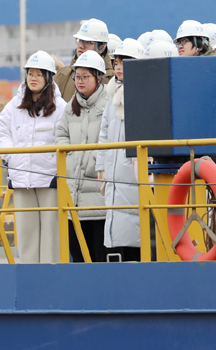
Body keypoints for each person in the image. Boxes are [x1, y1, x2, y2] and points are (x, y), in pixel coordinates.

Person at [0, 51, 66, 263]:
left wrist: (54, 165)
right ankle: (30, 276)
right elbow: (1, 132)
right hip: (21, 179)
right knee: (26, 237)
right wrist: (11, 158)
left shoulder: (60, 107)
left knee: (51, 236)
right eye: (30, 74)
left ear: (49, 77)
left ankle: (50, 276)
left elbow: (64, 138)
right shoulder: (14, 105)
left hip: (50, 180)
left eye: (38, 74)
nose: (33, 78)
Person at [57, 50, 110, 262]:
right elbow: (61, 134)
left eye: (85, 76)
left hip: (98, 197)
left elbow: (112, 141)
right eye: (77, 76)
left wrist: (92, 161)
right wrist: (70, 157)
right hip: (74, 196)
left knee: (99, 256)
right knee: (78, 256)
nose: (79, 81)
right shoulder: (72, 106)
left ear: (99, 78)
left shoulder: (108, 105)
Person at [100, 38, 147, 261]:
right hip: (115, 176)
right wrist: (102, 167)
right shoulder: (113, 97)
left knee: (135, 234)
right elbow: (104, 134)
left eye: (123, 62)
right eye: (116, 62)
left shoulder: (144, 96)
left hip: (133, 175)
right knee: (118, 232)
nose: (118, 67)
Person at [56, 18, 110, 101]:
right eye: (80, 41)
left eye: (87, 42)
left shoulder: (112, 80)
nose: (81, 46)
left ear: (101, 48)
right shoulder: (62, 75)